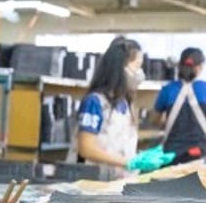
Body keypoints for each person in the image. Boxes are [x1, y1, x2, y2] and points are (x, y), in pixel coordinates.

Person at [74, 37, 173, 176]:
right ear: (120, 67)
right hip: (97, 182)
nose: (140, 73)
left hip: (121, 181)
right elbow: (86, 148)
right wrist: (128, 162)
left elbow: (119, 145)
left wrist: (140, 156)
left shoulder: (126, 103)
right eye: (137, 66)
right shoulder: (95, 102)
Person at [155, 47, 206, 164]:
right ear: (200, 67)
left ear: (180, 66)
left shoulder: (167, 90)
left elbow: (155, 120)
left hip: (172, 154)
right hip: (202, 151)